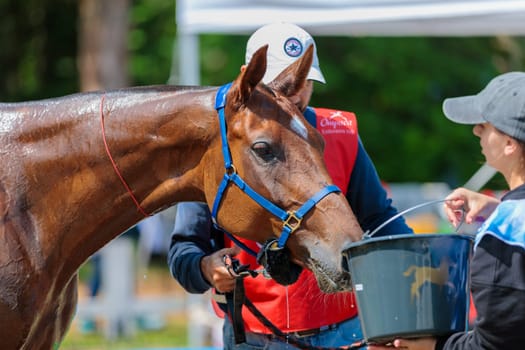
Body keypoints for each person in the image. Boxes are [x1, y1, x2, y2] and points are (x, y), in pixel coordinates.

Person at [168, 22, 413, 349]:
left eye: (304, 80)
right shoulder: (217, 145)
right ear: (248, 77)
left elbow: (382, 222)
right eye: (282, 80)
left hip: (346, 333)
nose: (295, 92)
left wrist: (424, 267)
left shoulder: (339, 131)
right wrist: (205, 268)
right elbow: (184, 251)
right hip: (253, 335)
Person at [369, 72, 525, 350]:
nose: (477, 130)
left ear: (510, 144)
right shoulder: (509, 218)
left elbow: (495, 345)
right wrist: (500, 207)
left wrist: (433, 345)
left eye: (485, 125)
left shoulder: (503, 237)